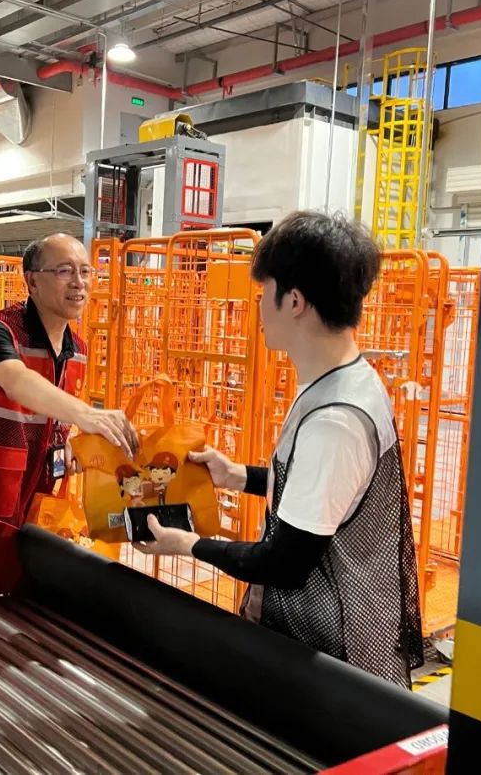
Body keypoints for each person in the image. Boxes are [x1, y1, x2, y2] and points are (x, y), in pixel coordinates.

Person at [135, 211, 424, 689]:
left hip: (330, 655)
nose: (258, 306)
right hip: (322, 637)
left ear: (294, 301)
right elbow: (324, 494)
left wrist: (187, 545)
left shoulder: (335, 420)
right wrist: (239, 476)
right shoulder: (342, 381)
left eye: (262, 292)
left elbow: (285, 563)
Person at [0, 234, 139, 525]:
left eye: (85, 271)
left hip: (33, 507)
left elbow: (49, 418)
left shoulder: (78, 351)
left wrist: (65, 443)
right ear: (32, 281)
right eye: (64, 271)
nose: (79, 282)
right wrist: (86, 414)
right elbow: (16, 380)